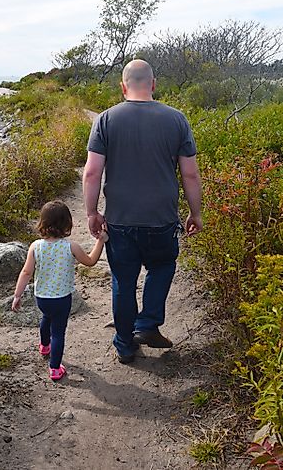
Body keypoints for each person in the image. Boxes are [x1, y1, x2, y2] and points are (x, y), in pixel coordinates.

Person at [83, 59, 203, 364]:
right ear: (153, 84)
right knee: (162, 267)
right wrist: (195, 212)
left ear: (123, 86)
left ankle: (125, 344)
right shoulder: (177, 119)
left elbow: (92, 173)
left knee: (123, 280)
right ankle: (147, 324)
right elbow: (190, 174)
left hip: (121, 220)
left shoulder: (106, 120)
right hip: (161, 219)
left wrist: (92, 213)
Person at [11, 200, 108, 381]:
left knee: (46, 318)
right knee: (58, 332)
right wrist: (100, 241)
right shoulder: (71, 247)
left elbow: (26, 272)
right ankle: (55, 368)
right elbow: (90, 261)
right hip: (62, 299)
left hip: (42, 298)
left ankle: (44, 346)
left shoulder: (35, 246)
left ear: (42, 223)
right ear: (67, 224)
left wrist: (17, 295)